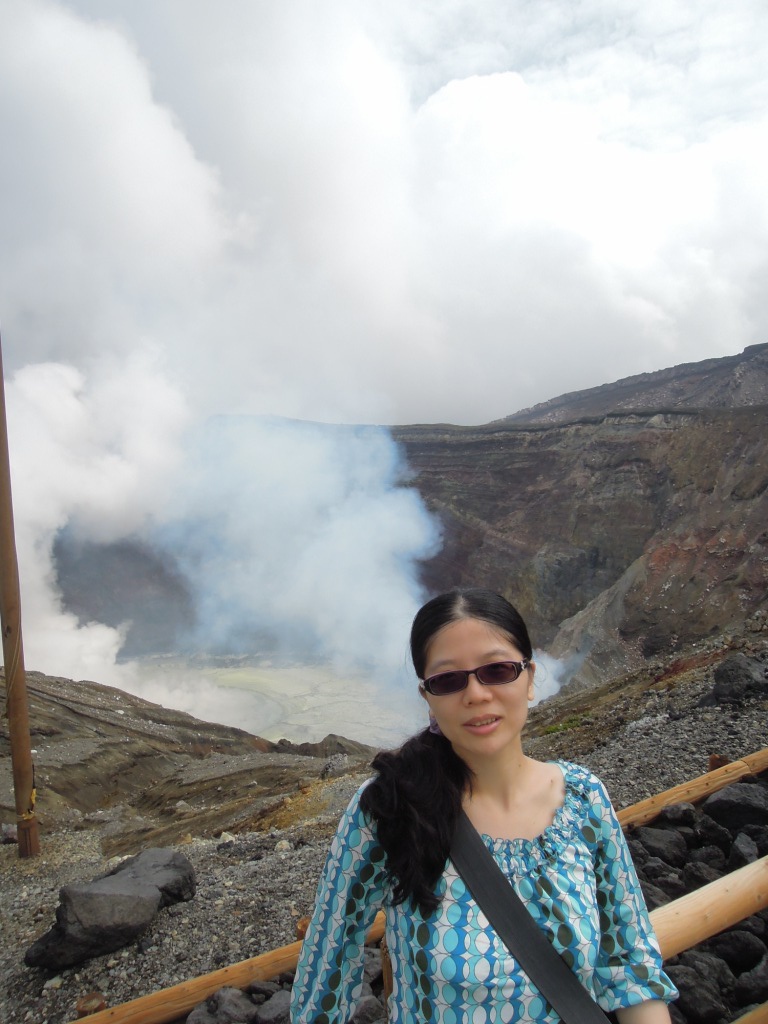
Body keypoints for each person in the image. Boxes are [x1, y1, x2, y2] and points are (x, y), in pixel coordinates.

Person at [290, 588, 677, 1023]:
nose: (475, 694)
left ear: (530, 678)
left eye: (497, 670)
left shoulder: (584, 800)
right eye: (449, 680)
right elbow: (326, 974)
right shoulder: (390, 807)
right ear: (427, 696)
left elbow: (629, 963)